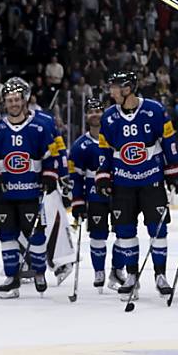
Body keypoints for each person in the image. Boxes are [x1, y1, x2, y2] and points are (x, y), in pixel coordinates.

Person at [94, 70, 178, 301]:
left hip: (151, 181)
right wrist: (103, 174)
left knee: (158, 230)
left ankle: (160, 275)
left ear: (128, 88)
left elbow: (169, 142)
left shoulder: (154, 110)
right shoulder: (109, 117)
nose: (111, 91)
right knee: (125, 232)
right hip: (122, 183)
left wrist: (174, 169)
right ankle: (132, 275)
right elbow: (104, 150)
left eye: (115, 86)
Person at [0, 80, 59, 299]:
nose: (13, 104)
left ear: (24, 100)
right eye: (9, 100)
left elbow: (50, 157)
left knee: (36, 235)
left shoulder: (39, 128)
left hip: (31, 191)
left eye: (16, 100)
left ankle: (39, 271)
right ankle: (12, 278)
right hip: (5, 193)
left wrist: (49, 177)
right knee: (7, 236)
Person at [68, 94, 114, 292]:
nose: (95, 114)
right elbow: (75, 178)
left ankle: (118, 270)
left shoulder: (115, 137)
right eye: (91, 111)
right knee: (98, 235)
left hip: (118, 193)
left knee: (124, 233)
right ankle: (99, 272)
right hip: (95, 197)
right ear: (86, 116)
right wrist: (77, 202)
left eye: (98, 110)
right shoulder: (80, 146)